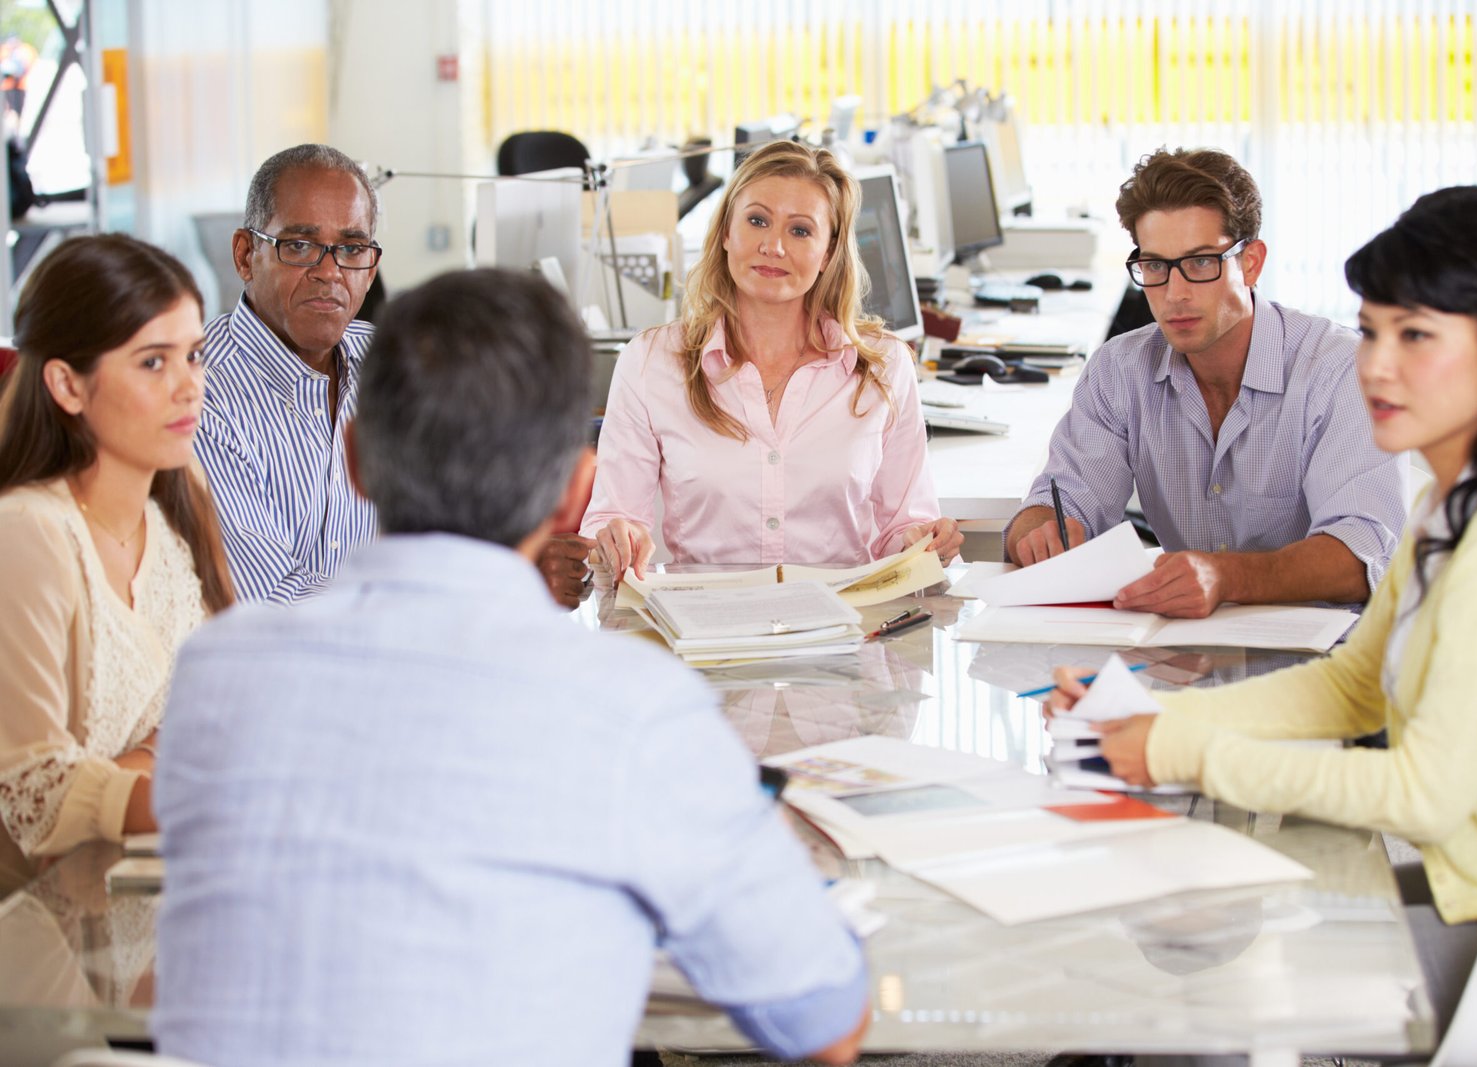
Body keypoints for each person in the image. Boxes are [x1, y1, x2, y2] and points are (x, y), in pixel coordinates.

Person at [153, 268, 870, 1066]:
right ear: (575, 494)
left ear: (355, 459)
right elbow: (825, 1019)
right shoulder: (634, 707)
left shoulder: (214, 670)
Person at [1047, 186, 1477, 1041]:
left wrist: (1176, 749)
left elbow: (1421, 795)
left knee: (1202, 983)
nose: (1375, 366)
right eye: (1371, 332)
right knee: (1189, 941)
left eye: (1415, 336)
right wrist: (1151, 715)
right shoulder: (1456, 501)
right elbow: (1350, 686)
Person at [1005, 148, 1405, 618]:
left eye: (1199, 263)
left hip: (1322, 649)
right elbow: (1061, 501)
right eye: (1155, 266)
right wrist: (1036, 532)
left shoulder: (1337, 370)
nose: (1174, 294)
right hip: (1184, 646)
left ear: (1251, 262)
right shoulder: (1119, 370)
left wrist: (1226, 576)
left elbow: (1362, 553)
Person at [196, 143, 595, 607]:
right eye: (300, 246)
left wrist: (519, 553)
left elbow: (455, 513)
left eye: (351, 249)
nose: (329, 272)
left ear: (371, 270)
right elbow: (269, 605)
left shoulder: (387, 359)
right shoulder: (201, 395)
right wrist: (500, 581)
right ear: (246, 255)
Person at [582, 139, 960, 575]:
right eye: (757, 221)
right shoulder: (651, 362)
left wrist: (921, 541)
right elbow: (611, 518)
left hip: (840, 614)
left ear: (828, 252)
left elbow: (904, 526)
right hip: (707, 613)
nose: (773, 246)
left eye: (800, 231)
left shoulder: (884, 366)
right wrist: (615, 539)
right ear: (726, 232)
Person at [0, 234, 234, 894]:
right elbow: (35, 791)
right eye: (153, 362)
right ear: (67, 385)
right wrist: (186, 787)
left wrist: (142, 760)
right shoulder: (29, 533)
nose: (189, 386)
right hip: (38, 921)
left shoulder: (180, 500)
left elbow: (221, 702)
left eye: (194, 355)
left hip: (143, 886)